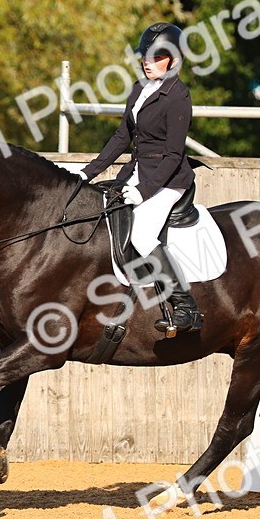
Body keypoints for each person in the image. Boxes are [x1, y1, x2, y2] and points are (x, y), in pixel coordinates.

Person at [81, 22, 203, 333]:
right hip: (136, 172)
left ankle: (185, 307)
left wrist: (144, 191)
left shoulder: (179, 96)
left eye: (155, 57)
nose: (146, 61)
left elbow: (175, 155)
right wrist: (88, 171)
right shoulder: (139, 88)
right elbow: (122, 136)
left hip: (168, 179)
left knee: (142, 235)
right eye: (144, 56)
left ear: (174, 60)